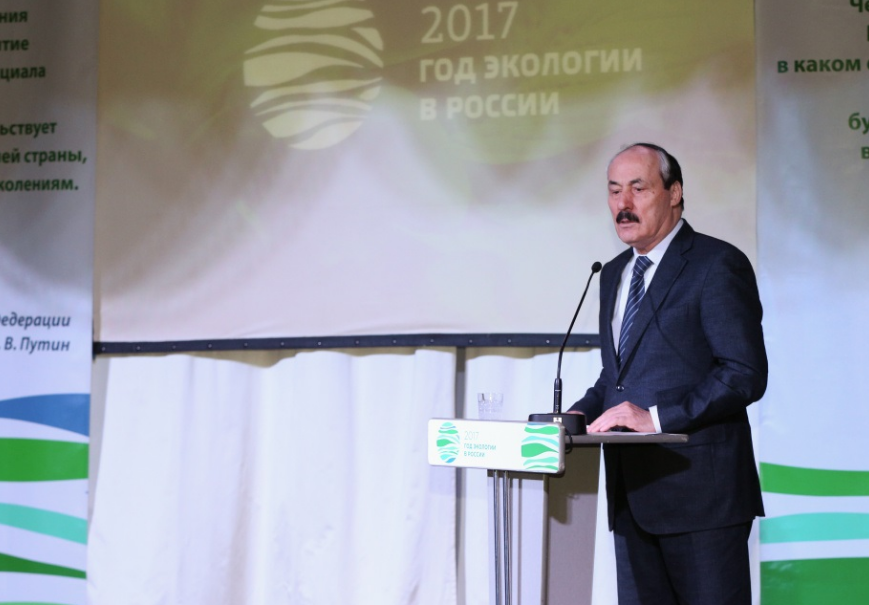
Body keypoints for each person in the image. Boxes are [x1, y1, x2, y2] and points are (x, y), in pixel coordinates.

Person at [567, 143, 767, 604]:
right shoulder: (613, 273)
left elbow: (743, 372)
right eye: (614, 190)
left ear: (674, 193)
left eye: (638, 188)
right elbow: (616, 378)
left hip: (702, 499)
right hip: (631, 495)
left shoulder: (716, 264)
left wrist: (656, 419)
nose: (623, 203)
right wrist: (575, 417)